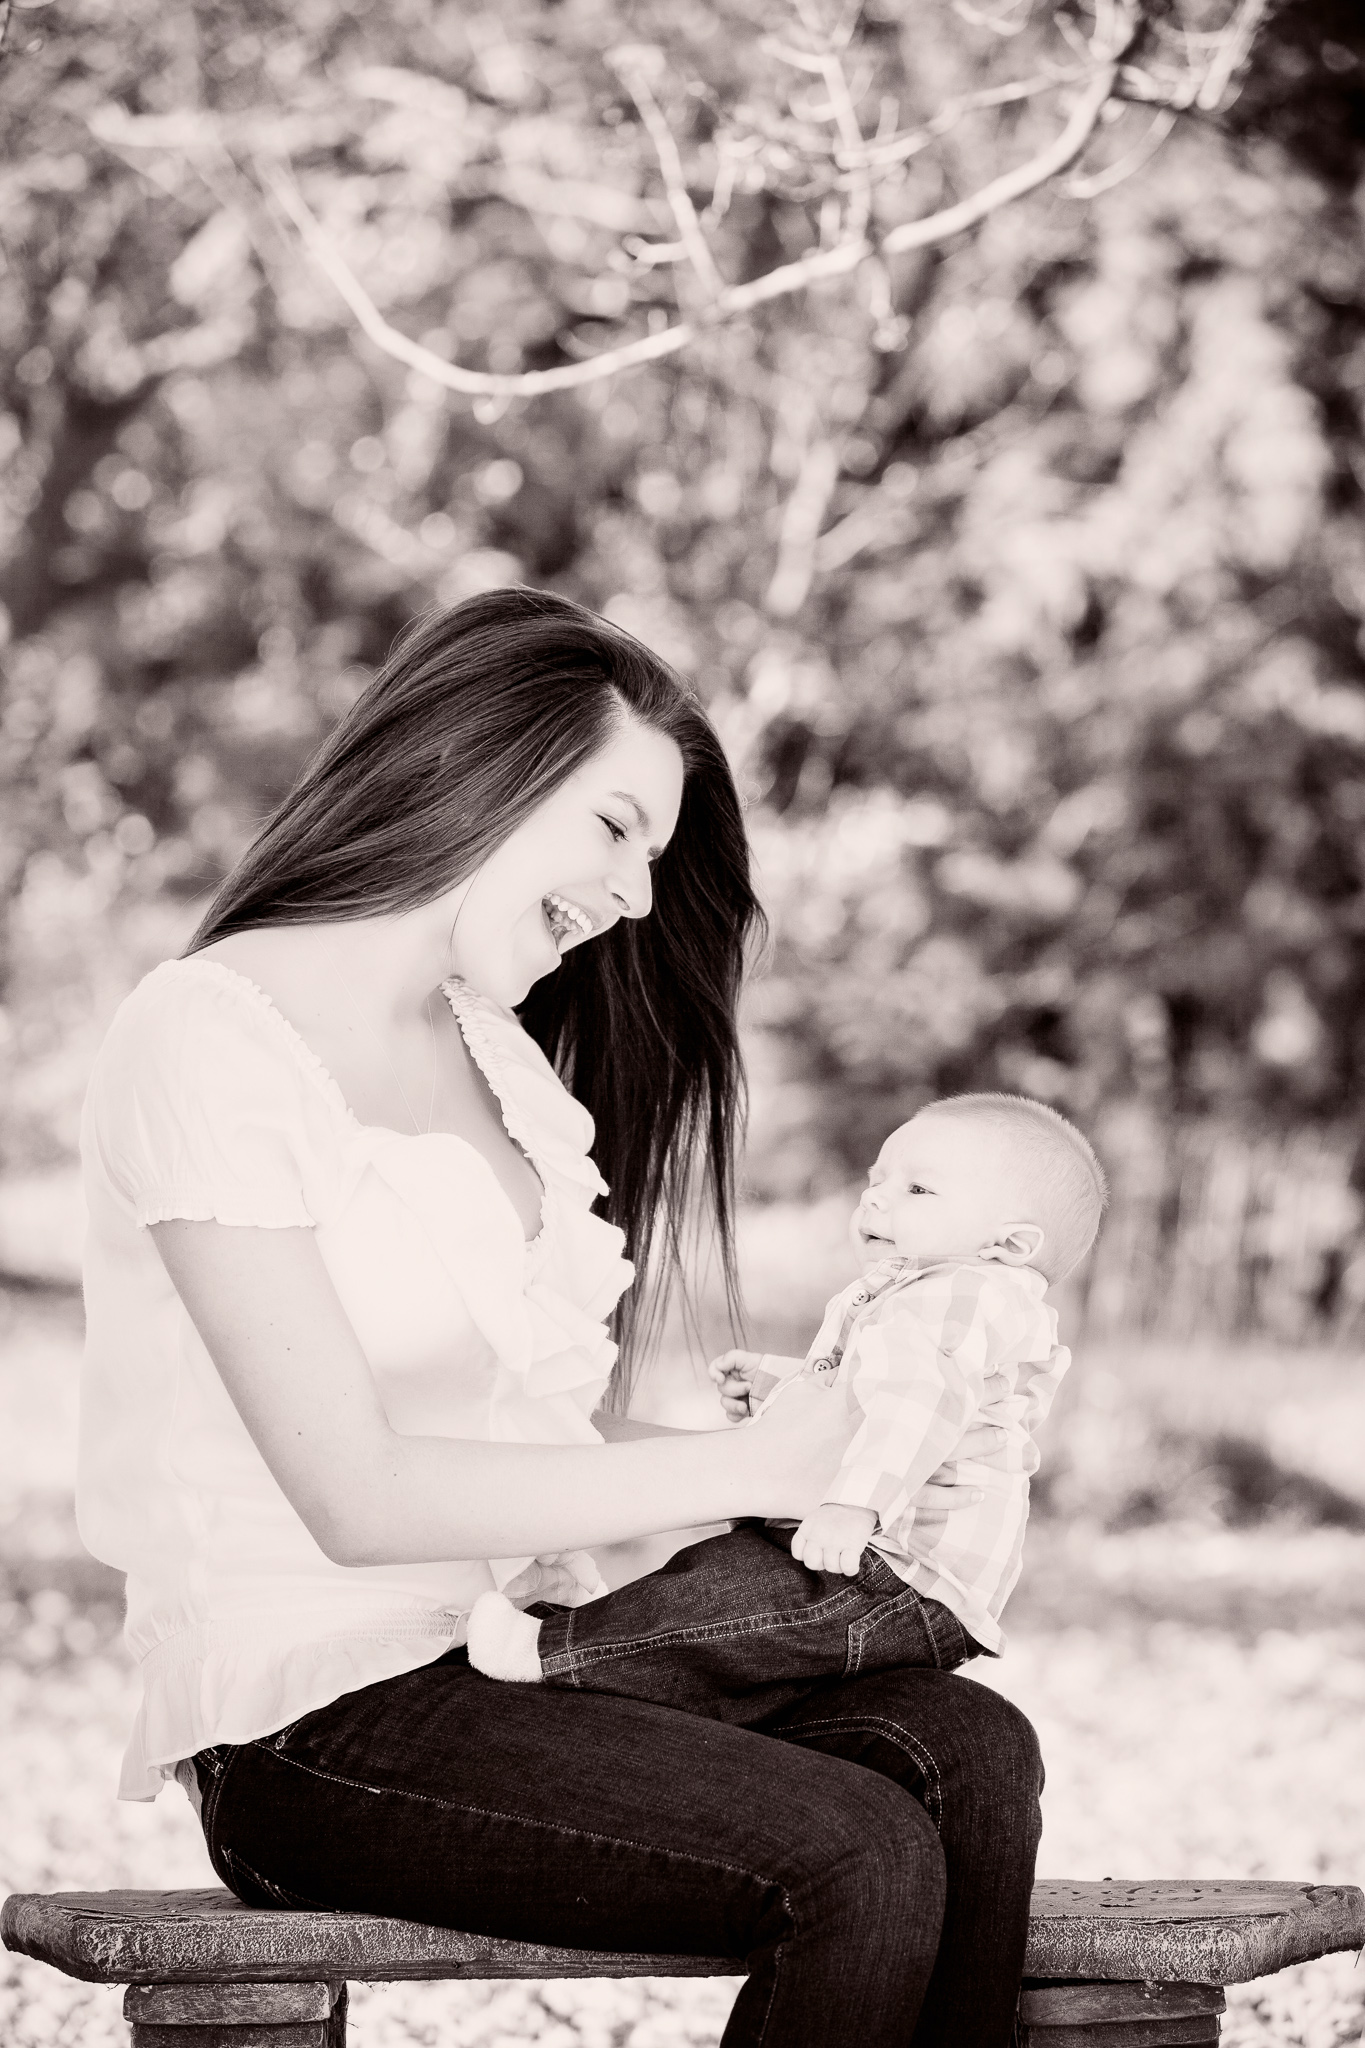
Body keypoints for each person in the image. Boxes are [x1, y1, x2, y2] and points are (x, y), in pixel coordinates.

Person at [77, 587, 1045, 2048]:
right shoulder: (207, 1037)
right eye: (614, 829)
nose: (639, 897)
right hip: (310, 1723)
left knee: (962, 1743)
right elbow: (355, 1493)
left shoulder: (504, 1066)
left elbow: (535, 1431)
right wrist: (737, 1476)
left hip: (510, 1654)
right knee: (854, 1851)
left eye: (654, 855)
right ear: (480, 761)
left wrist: (794, 1433)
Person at [466, 1093, 1105, 1715]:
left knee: (729, 1592)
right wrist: (776, 1385)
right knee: (735, 1608)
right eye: (877, 1180)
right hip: (888, 1572)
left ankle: (550, 1651)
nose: (876, 1198)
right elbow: (869, 1390)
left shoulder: (961, 1292)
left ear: (1011, 1244)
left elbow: (921, 1404)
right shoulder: (936, 1293)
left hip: (897, 1571)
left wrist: (853, 1506)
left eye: (919, 1190)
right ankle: (603, 1665)